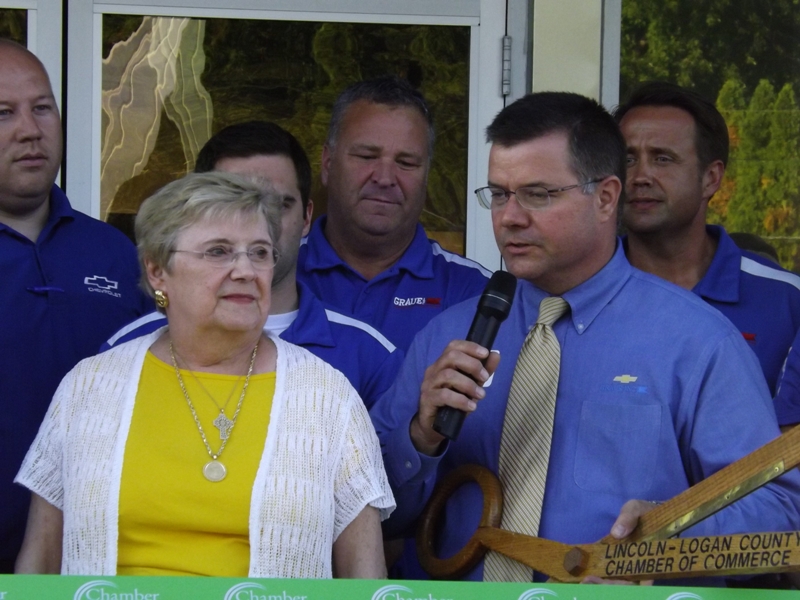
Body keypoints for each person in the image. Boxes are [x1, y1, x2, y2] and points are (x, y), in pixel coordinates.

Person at [370, 92, 800, 584]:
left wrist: (672, 537)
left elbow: (780, 510)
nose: (510, 217)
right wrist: (419, 438)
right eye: (500, 194)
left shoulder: (698, 342)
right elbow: (366, 514)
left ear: (606, 197)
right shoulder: (447, 337)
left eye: (538, 194)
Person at [15, 172, 394, 577]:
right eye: (218, 251)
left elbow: (365, 579)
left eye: (259, 253)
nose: (245, 270)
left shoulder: (328, 397)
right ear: (158, 270)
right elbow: (40, 561)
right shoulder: (89, 386)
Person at [103, 121, 403, 409]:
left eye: (279, 205)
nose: (259, 220)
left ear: (306, 217)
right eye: (229, 204)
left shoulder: (369, 354)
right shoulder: (123, 352)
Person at [0, 38, 151, 573]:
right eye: (3, 113)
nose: (30, 129)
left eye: (42, 108)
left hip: (95, 559)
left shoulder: (114, 253)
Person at [615, 82, 800, 426]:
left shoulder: (786, 299)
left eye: (662, 158)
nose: (640, 176)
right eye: (627, 159)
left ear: (711, 178)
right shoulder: (580, 294)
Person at [297, 75, 491, 352]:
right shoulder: (276, 275)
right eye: (366, 156)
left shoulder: (475, 292)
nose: (385, 178)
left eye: (406, 162)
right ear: (327, 164)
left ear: (427, 175)